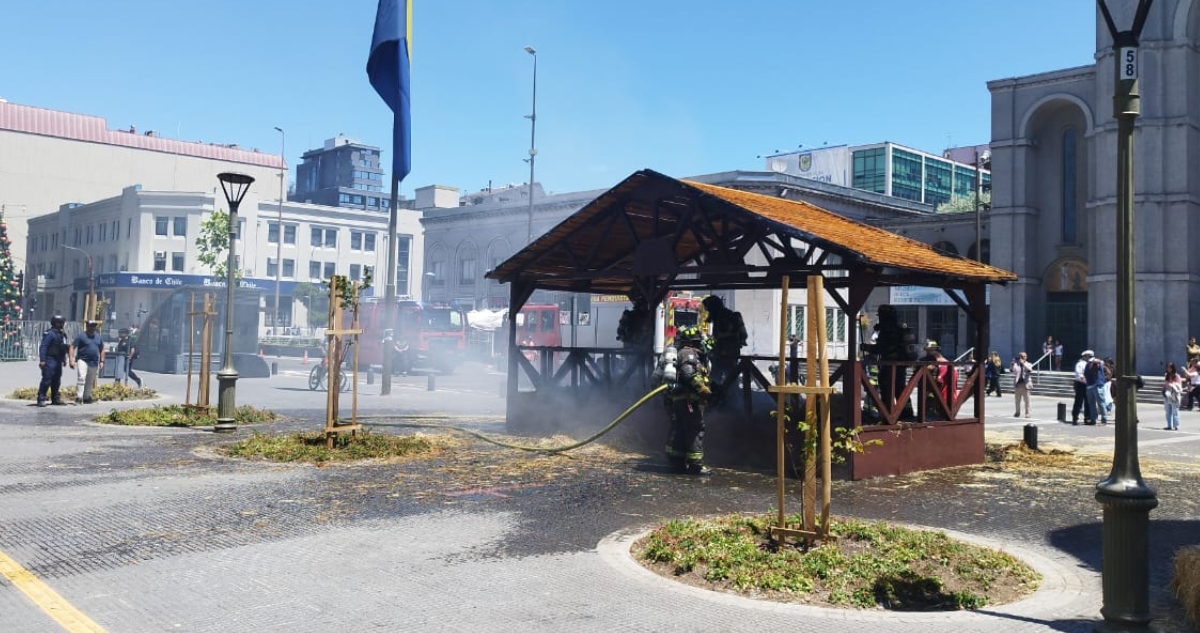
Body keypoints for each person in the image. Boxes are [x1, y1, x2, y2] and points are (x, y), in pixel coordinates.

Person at [654, 325, 712, 475]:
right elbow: (688, 373)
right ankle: (695, 465)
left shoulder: (681, 352)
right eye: (698, 340)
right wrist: (701, 388)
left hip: (679, 401)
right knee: (694, 430)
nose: (700, 343)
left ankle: (677, 462)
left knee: (679, 430)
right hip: (689, 401)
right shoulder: (689, 353)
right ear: (692, 341)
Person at [862, 305, 916, 420]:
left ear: (884, 316)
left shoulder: (887, 331)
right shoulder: (899, 329)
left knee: (887, 390)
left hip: (889, 366)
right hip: (900, 366)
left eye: (880, 316)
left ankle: (887, 414)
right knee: (900, 389)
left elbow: (880, 348)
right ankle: (906, 414)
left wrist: (866, 347)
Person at [702, 295, 747, 397]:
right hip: (731, 354)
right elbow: (743, 336)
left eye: (709, 309)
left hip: (723, 354)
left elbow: (720, 336)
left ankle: (714, 401)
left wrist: (719, 343)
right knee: (731, 379)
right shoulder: (733, 316)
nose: (708, 312)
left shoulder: (722, 317)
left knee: (715, 379)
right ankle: (731, 400)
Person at [36, 315, 70, 407]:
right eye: (61, 323)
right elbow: (44, 346)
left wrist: (64, 359)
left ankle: (55, 398)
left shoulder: (62, 334)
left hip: (58, 359)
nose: (62, 324)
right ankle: (41, 399)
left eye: (63, 322)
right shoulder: (50, 334)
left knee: (56, 380)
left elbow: (63, 347)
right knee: (47, 380)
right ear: (55, 323)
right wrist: (42, 360)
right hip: (49, 359)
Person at [69, 320, 106, 404]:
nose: (92, 327)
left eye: (94, 326)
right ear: (87, 326)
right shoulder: (81, 336)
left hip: (94, 362)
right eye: (90, 326)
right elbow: (72, 346)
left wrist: (102, 361)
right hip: (82, 360)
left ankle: (86, 397)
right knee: (81, 378)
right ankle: (79, 397)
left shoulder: (98, 337)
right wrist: (71, 359)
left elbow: (102, 349)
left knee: (90, 380)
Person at [1071, 350, 1094, 425]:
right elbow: (1080, 374)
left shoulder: (1089, 364)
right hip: (1081, 384)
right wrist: (1086, 381)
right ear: (1084, 356)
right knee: (1078, 401)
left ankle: (1087, 417)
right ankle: (1075, 417)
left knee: (1088, 402)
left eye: (1090, 356)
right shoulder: (1080, 364)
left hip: (1088, 384)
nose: (1089, 357)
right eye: (1088, 356)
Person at [1085, 355, 1108, 425]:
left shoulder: (1099, 363)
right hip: (1090, 386)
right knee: (1091, 404)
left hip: (1098, 385)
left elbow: (1101, 362)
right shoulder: (1087, 364)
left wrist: (1097, 361)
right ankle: (1093, 419)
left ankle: (1104, 420)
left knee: (1101, 403)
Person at [1011, 352, 1033, 418]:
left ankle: (1027, 413)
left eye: (1024, 356)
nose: (1023, 358)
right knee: (1017, 400)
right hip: (1018, 384)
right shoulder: (1016, 365)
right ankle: (1017, 412)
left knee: (1027, 401)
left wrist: (1023, 364)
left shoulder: (1028, 364)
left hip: (1025, 384)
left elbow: (1029, 370)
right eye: (1021, 356)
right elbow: (1012, 370)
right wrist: (1012, 364)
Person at [1163, 362, 1184, 431]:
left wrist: (1172, 384)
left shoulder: (1177, 376)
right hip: (1168, 394)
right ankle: (1169, 425)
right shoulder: (1167, 375)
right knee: (1168, 411)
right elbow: (1165, 385)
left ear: (1173, 368)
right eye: (1167, 367)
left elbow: (1179, 386)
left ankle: (1176, 425)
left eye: (1170, 367)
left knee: (1175, 411)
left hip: (1174, 395)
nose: (1168, 369)